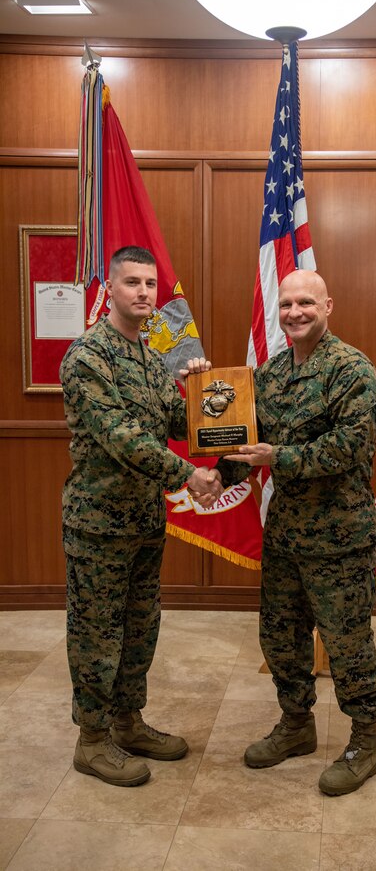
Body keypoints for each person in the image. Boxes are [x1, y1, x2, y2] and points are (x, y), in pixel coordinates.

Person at [215, 269, 376, 796]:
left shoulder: (353, 370)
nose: (295, 312)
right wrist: (215, 475)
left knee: (347, 643)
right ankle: (296, 725)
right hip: (286, 535)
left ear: (327, 305)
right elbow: (247, 442)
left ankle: (364, 741)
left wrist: (278, 457)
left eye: (305, 302)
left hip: (340, 539)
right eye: (286, 304)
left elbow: (348, 448)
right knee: (281, 638)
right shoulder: (267, 375)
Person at [60, 245, 222, 787]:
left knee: (140, 627)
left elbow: (179, 423)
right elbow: (122, 438)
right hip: (99, 525)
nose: (144, 293)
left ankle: (127, 722)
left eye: (151, 284)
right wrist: (187, 477)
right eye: (132, 282)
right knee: (95, 632)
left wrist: (200, 390)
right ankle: (91, 739)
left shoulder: (153, 359)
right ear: (110, 288)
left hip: (145, 521)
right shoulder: (87, 358)